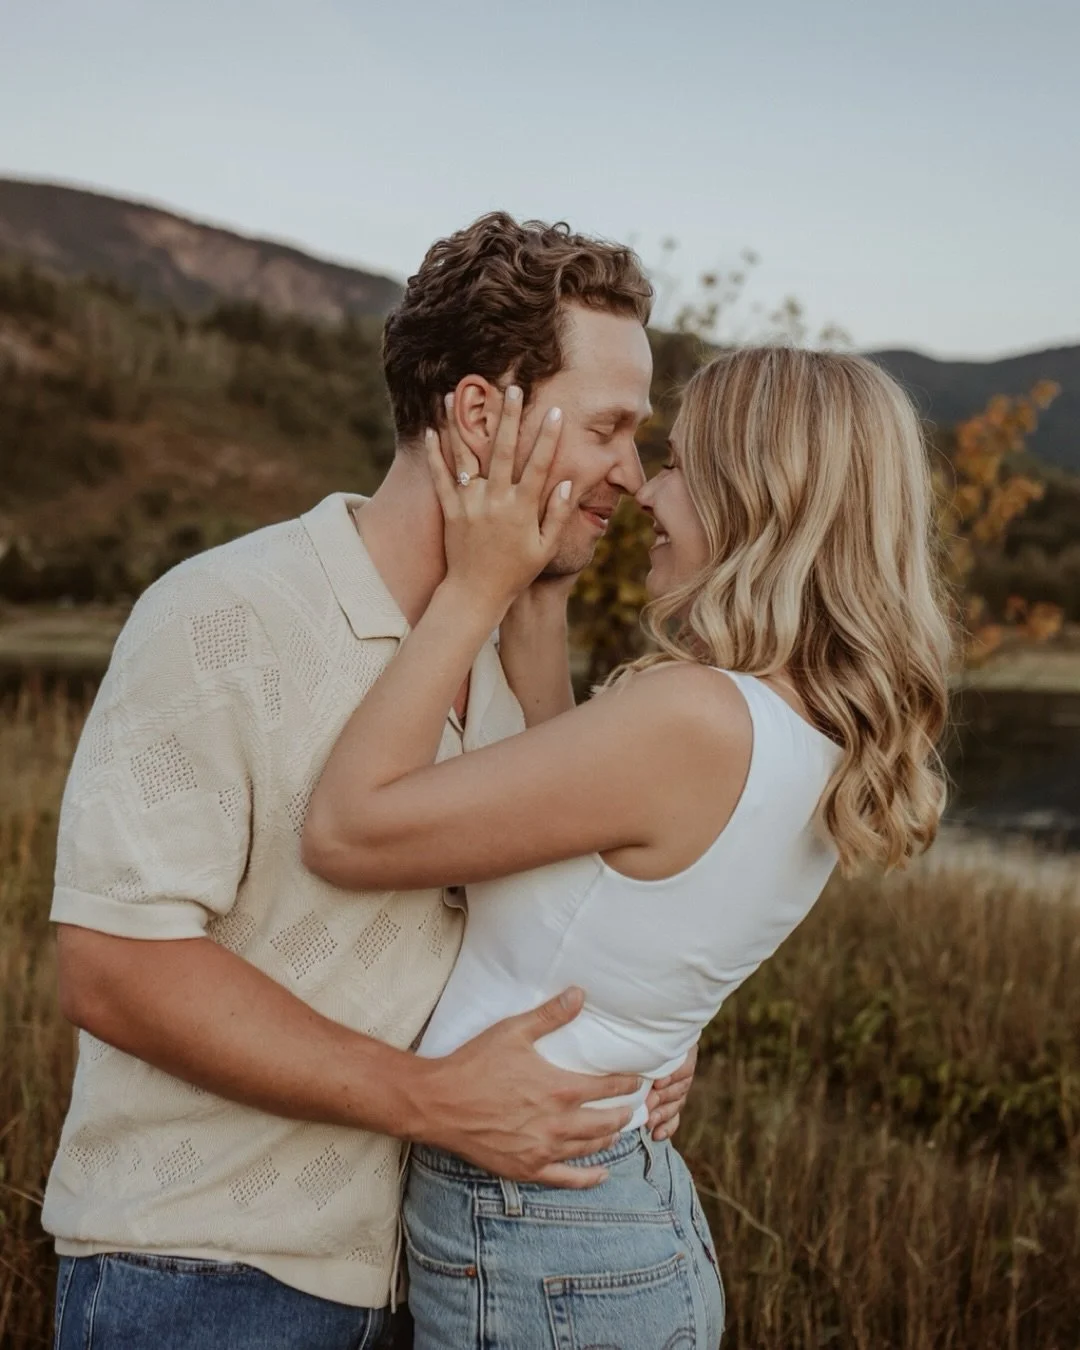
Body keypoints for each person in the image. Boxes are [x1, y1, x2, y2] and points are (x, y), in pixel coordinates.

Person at [43, 213, 698, 1350]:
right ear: (481, 414)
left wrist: (641, 1043)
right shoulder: (222, 614)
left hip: (436, 1283)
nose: (631, 477)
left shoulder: (514, 663)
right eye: (608, 429)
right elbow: (115, 969)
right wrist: (428, 1100)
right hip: (200, 1278)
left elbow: (548, 924)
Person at [301, 345, 953, 1348]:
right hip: (597, 1222)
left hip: (543, 1232)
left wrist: (473, 590)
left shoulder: (695, 718)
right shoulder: (806, 727)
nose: (647, 490)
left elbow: (346, 829)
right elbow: (570, 821)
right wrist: (539, 591)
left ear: (758, 498)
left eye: (680, 465)